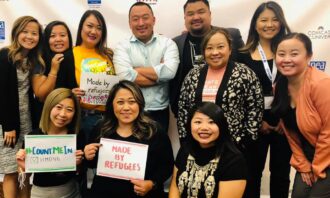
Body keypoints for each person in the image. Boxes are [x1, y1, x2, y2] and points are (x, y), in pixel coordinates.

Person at [80, 80, 174, 198]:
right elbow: (92, 165)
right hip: (104, 194)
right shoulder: (101, 128)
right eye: (120, 102)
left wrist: (151, 184)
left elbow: (166, 166)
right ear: (112, 105)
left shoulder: (154, 131)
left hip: (140, 197)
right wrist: (88, 156)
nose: (126, 107)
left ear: (140, 104)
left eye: (132, 101)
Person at [237, 2, 291, 198]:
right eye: (264, 19)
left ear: (281, 21)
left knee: (280, 175)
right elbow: (238, 94)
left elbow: (297, 87)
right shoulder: (241, 54)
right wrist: (256, 121)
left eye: (274, 19)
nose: (269, 24)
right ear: (255, 24)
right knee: (251, 173)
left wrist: (285, 120)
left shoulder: (288, 49)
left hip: (284, 122)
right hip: (253, 124)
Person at [272, 33, 330, 198]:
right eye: (281, 54)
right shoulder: (279, 86)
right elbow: (290, 131)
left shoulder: (321, 84)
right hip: (309, 152)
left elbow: (329, 131)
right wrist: (304, 165)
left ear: (309, 56)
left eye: (294, 54)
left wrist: (318, 167)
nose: (286, 59)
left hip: (327, 152)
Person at [177, 27, 263, 148]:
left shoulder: (245, 74)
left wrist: (246, 141)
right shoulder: (193, 75)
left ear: (230, 49)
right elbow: (183, 110)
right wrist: (185, 140)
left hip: (234, 146)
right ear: (203, 51)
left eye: (220, 47)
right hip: (198, 145)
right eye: (209, 48)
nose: (215, 52)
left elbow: (255, 110)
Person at [168, 102, 247, 198]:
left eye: (211, 122)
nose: (204, 128)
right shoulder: (185, 149)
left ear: (222, 126)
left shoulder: (234, 159)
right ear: (190, 125)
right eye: (198, 122)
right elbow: (175, 184)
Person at [16, 88, 85, 198]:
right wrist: (22, 168)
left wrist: (78, 164)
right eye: (58, 107)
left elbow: (79, 172)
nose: (63, 114)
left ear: (75, 113)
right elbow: (24, 180)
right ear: (49, 107)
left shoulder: (77, 136)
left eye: (69, 110)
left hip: (71, 195)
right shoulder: (34, 137)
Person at [0, 15, 44, 198]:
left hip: (28, 122)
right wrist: (8, 125)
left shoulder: (35, 60)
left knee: (26, 169)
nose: (29, 36)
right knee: (10, 170)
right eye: (25, 31)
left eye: (34, 33)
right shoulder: (4, 55)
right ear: (17, 33)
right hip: (8, 124)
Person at [170, 0, 245, 117]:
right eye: (190, 14)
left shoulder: (231, 35)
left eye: (201, 12)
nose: (196, 17)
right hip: (192, 117)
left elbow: (246, 71)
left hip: (229, 114)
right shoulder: (175, 43)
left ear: (210, 14)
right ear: (184, 18)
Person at [113, 2, 179, 132]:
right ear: (129, 23)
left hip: (160, 112)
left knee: (158, 151)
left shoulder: (168, 44)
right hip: (131, 112)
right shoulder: (122, 47)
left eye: (145, 17)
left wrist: (135, 70)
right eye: (135, 19)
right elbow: (125, 77)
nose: (141, 23)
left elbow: (169, 72)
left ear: (153, 20)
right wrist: (159, 74)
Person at [72, 10, 115, 139]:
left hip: (110, 118)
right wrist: (70, 93)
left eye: (99, 28)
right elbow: (61, 87)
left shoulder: (109, 54)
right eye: (89, 26)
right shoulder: (71, 54)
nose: (94, 31)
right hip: (84, 118)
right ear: (81, 28)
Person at [33, 20, 77, 122]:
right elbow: (41, 95)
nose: (58, 39)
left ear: (69, 38)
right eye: (52, 36)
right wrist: (53, 70)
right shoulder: (40, 60)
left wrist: (72, 94)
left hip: (69, 116)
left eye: (62, 35)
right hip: (44, 116)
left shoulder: (74, 57)